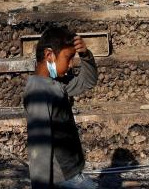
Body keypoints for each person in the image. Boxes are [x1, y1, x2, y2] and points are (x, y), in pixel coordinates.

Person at [23, 26, 99, 189]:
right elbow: (39, 146)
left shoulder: (58, 83)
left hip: (73, 171)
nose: (71, 65)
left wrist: (85, 55)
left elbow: (88, 81)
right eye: (68, 57)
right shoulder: (39, 92)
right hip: (64, 177)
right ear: (49, 55)